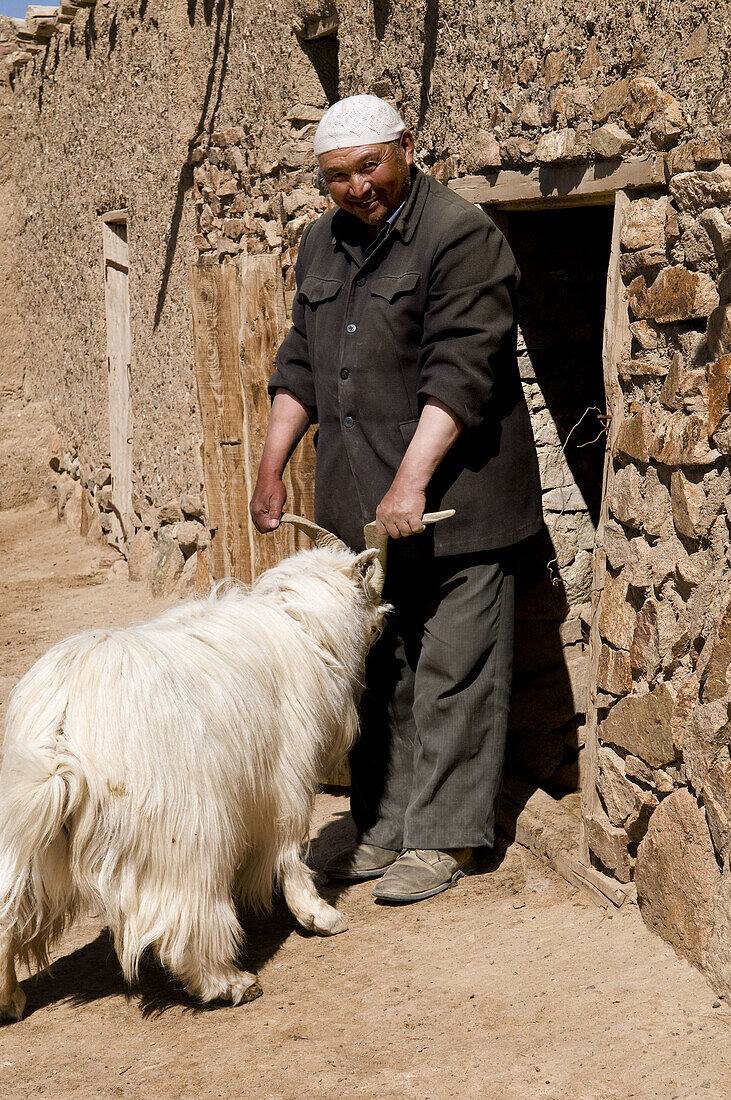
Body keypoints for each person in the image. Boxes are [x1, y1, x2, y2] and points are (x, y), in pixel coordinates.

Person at [250, 95, 542, 903]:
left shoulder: (458, 235)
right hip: (362, 516)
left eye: (370, 166)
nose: (357, 187)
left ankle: (443, 837)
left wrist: (411, 479)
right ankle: (381, 825)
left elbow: (464, 368)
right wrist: (274, 463)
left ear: (405, 148)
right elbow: (299, 364)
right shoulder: (322, 243)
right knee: (380, 672)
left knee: (453, 669)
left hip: (457, 506)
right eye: (337, 176)